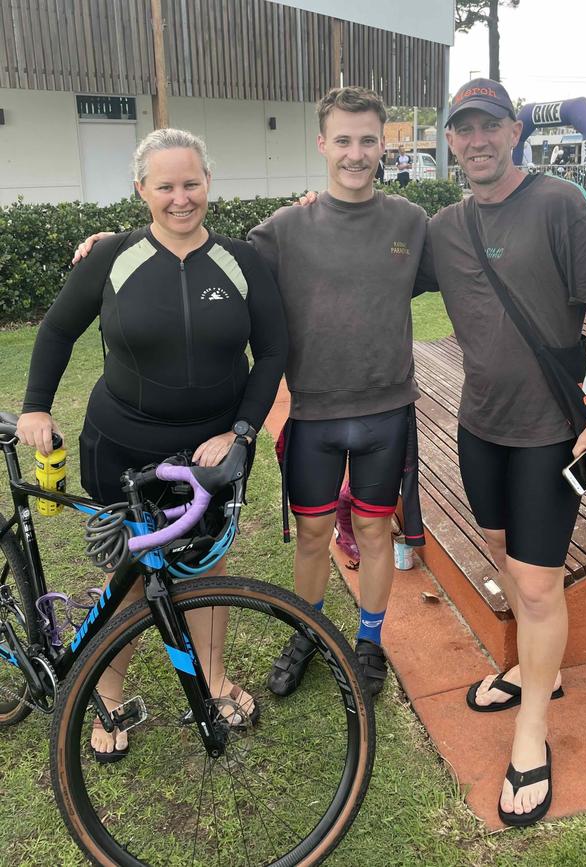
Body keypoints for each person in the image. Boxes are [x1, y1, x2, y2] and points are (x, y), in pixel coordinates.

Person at [70, 89, 432, 701]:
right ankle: (308, 633)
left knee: (375, 535)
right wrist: (109, 249)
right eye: (342, 140)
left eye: (368, 139)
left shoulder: (412, 222)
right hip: (314, 413)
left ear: (383, 143)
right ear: (322, 144)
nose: (356, 152)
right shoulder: (284, 228)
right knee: (314, 535)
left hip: (386, 409)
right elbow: (196, 247)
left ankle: (368, 645)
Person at [17, 128, 288, 760]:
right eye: (165, 185)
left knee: (205, 566)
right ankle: (106, 695)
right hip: (123, 445)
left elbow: (273, 349)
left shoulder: (243, 261)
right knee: (131, 575)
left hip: (210, 452)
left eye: (191, 183)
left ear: (208, 183)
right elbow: (58, 330)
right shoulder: (112, 256)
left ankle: (215, 681)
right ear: (142, 189)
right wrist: (35, 406)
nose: (180, 197)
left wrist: (241, 430)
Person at [421, 78, 586, 826]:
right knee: (507, 558)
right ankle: (533, 668)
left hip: (552, 429)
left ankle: (532, 727)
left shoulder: (561, 203)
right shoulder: (444, 226)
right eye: (462, 129)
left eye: (488, 126)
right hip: (480, 426)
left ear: (514, 131)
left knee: (537, 587)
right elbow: (363, 261)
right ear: (451, 141)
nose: (475, 140)